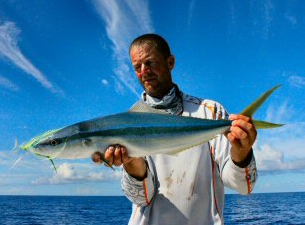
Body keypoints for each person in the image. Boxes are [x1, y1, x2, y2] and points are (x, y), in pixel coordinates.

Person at [92, 34, 257, 225]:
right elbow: (141, 199)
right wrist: (131, 163)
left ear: (170, 62)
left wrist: (242, 150)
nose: (144, 71)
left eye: (150, 62)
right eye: (137, 67)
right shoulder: (130, 121)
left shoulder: (211, 112)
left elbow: (244, 186)